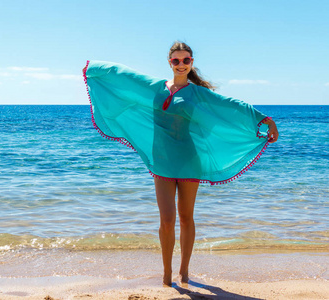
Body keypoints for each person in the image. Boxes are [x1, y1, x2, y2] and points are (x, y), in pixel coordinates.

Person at [83, 42, 279, 286]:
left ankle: (184, 272)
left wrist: (264, 119)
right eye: (176, 60)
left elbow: (229, 105)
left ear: (191, 62)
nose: (181, 64)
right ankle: (166, 274)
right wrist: (95, 69)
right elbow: (125, 76)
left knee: (186, 218)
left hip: (188, 159)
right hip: (162, 160)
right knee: (166, 220)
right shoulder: (155, 87)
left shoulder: (197, 93)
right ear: (169, 63)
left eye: (186, 60)